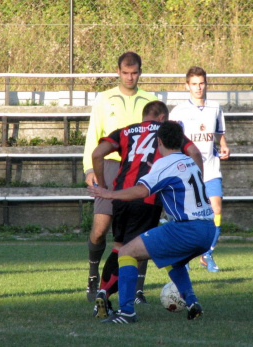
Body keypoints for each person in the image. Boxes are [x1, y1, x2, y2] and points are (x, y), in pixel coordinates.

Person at [88, 121, 215, 324]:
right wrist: (155, 170)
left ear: (159, 141)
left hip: (186, 228)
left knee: (126, 252)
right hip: (208, 230)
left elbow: (141, 191)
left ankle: (127, 311)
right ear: (181, 141)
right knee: (174, 260)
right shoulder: (189, 161)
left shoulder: (164, 164)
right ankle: (192, 302)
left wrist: (108, 193)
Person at [83, 52, 157, 303]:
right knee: (101, 228)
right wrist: (90, 169)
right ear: (118, 72)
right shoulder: (104, 99)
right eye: (125, 73)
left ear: (140, 72)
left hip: (140, 170)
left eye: (134, 72)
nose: (129, 77)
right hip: (111, 167)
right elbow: (94, 135)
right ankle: (93, 275)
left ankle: (137, 288)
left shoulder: (150, 100)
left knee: (142, 230)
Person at [169, 66, 230, 273]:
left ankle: (207, 254)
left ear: (206, 84)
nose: (198, 87)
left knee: (216, 210)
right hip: (188, 172)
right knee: (189, 216)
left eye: (201, 83)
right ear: (187, 86)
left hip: (211, 168)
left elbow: (219, 134)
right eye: (194, 84)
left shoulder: (215, 108)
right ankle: (185, 256)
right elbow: (170, 141)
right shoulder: (178, 112)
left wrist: (223, 145)